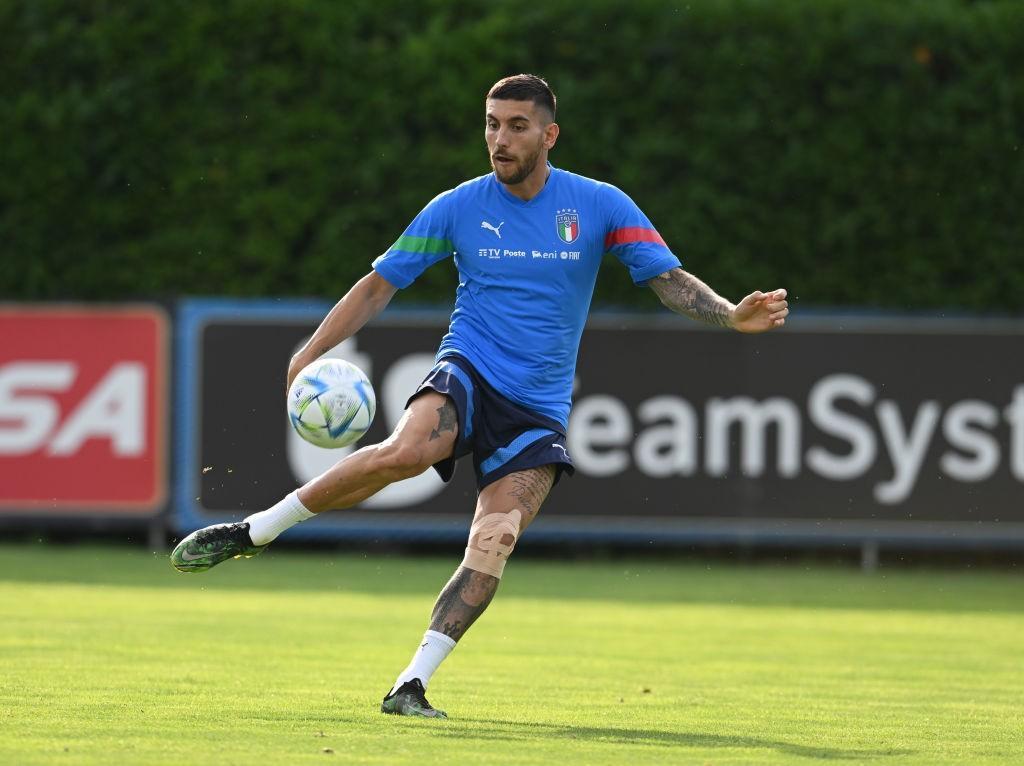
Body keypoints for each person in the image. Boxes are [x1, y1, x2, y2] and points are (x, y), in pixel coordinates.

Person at [171, 74, 789, 718]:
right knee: (408, 450)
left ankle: (410, 684)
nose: (500, 137)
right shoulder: (458, 206)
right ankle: (254, 531)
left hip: (538, 407)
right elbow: (379, 285)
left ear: (549, 135)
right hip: (468, 367)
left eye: (517, 125)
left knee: (494, 540)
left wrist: (727, 314)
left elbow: (666, 279)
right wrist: (310, 351)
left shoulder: (600, 205)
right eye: (492, 123)